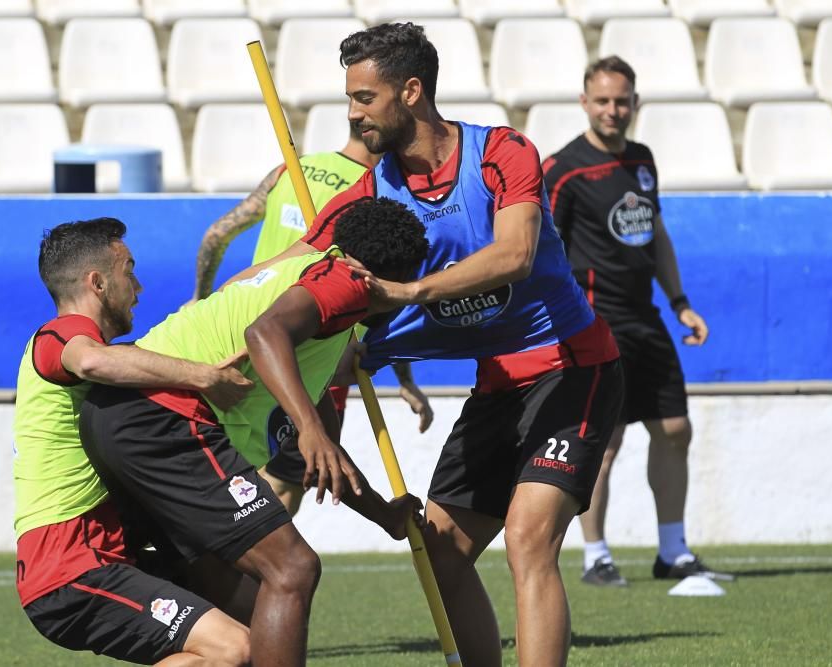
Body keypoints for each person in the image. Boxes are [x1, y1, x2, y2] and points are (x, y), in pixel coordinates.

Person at [254, 22, 625, 667]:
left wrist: (411, 292)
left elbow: (514, 254)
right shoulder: (372, 190)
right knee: (441, 551)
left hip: (572, 367)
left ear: (411, 92)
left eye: (365, 98)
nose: (353, 114)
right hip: (499, 385)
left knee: (528, 540)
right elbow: (295, 258)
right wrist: (213, 309)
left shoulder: (501, 153)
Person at [78, 197, 431, 667]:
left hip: (123, 416)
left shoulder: (305, 287)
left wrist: (382, 514)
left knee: (242, 614)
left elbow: (323, 445)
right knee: (293, 569)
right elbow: (265, 336)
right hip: (163, 417)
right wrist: (309, 429)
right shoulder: (346, 283)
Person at [13, 217, 256, 665]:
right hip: (69, 564)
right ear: (97, 282)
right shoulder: (60, 335)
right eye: (129, 271)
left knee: (240, 633)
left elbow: (231, 296)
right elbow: (91, 362)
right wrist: (206, 378)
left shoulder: (118, 356)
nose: (139, 286)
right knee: (234, 647)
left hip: (101, 554)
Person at [543, 56, 730, 586]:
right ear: (584, 102)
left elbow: (657, 234)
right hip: (595, 323)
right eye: (602, 100)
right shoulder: (563, 169)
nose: (612, 110)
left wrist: (679, 301)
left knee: (674, 429)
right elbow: (542, 249)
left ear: (635, 103)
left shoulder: (643, 159)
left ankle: (672, 550)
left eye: (621, 100)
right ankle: (596, 555)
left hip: (647, 318)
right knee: (604, 444)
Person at [191, 126, 434, 516]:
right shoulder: (371, 191)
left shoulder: (289, 170)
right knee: (284, 485)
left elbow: (215, 235)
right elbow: (386, 288)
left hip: (240, 328)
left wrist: (202, 301)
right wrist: (404, 380)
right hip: (314, 346)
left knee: (250, 466)